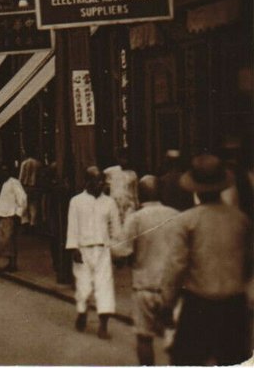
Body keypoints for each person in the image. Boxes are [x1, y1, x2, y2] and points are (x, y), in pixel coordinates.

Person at [159, 154, 252, 366]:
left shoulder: (187, 221)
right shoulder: (240, 221)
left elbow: (176, 266)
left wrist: (167, 302)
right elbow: (248, 262)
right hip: (234, 306)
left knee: (186, 362)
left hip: (199, 305)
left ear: (196, 189)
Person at [112, 175, 180, 366]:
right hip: (172, 288)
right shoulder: (177, 216)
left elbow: (120, 251)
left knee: (144, 338)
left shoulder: (136, 219)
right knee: (174, 338)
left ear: (140, 195)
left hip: (145, 286)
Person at [65, 166, 121, 339]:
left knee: (104, 287)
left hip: (103, 250)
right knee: (83, 286)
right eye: (97, 180)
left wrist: (118, 250)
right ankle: (82, 312)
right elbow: (72, 226)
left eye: (102, 180)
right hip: (82, 250)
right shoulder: (76, 201)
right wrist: (74, 248)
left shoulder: (109, 202)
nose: (101, 184)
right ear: (87, 182)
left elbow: (116, 228)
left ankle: (103, 325)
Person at [0, 162, 28, 272]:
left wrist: (18, 213)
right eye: (1, 171)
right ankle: (10, 263)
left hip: (11, 215)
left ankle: (13, 264)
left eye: (5, 170)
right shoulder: (5, 183)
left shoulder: (14, 182)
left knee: (9, 239)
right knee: (4, 240)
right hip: (3, 214)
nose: (3, 173)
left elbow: (23, 198)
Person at [104, 154, 139, 225]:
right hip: (115, 204)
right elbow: (105, 188)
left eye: (126, 158)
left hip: (128, 206)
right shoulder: (109, 172)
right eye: (121, 157)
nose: (124, 160)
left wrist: (136, 205)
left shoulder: (133, 174)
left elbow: (135, 193)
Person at [19, 151, 41, 229]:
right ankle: (33, 223)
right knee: (33, 205)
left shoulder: (24, 163)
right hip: (35, 186)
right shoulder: (38, 163)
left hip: (25, 187)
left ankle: (25, 222)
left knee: (24, 204)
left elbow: (21, 177)